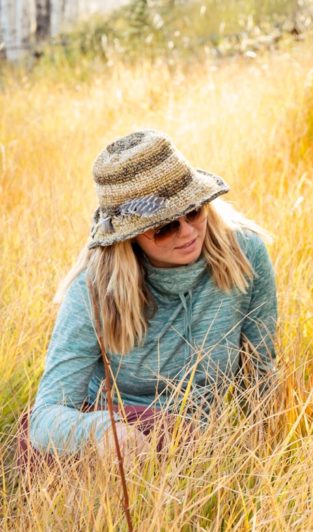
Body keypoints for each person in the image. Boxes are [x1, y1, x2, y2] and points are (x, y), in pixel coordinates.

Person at [26, 130, 277, 458]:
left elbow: (259, 373)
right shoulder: (93, 288)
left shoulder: (244, 254)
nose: (187, 231)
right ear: (127, 237)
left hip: (200, 446)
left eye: (195, 210)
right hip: (114, 444)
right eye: (164, 227)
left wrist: (262, 461)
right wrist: (105, 433)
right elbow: (45, 417)